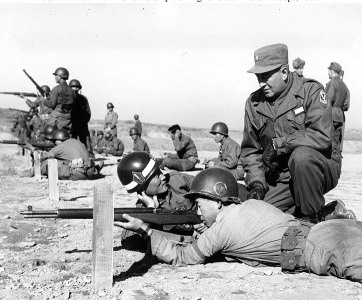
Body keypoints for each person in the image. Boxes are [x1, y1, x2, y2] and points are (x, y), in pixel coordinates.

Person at [115, 168, 362, 284]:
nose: (197, 210)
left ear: (218, 200)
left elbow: (181, 257)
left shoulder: (221, 231)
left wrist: (145, 230)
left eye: (200, 203)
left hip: (321, 249)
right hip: (328, 231)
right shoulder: (245, 207)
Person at [240, 43, 353, 223]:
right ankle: (328, 212)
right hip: (282, 177)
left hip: (319, 167)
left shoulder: (311, 91)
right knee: (254, 218)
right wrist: (257, 184)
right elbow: (250, 151)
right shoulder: (254, 103)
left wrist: (280, 144)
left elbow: (321, 137)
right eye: (258, 77)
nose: (261, 83)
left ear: (284, 72)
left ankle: (313, 219)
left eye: (266, 76)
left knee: (301, 157)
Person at [117, 152, 197, 250]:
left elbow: (207, 183)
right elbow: (128, 241)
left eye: (160, 171)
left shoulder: (176, 179)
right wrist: (150, 212)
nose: (163, 177)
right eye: (156, 176)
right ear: (142, 186)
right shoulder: (142, 208)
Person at [36, 128, 103, 180]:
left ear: (59, 139)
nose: (54, 143)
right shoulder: (77, 142)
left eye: (55, 140)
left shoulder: (61, 146)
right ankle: (96, 169)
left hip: (78, 174)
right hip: (90, 172)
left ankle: (32, 171)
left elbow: (43, 157)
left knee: (47, 163)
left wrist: (34, 152)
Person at [325, 62, 350, 153]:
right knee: (337, 144)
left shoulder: (332, 83)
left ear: (332, 71)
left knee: (327, 143)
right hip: (340, 118)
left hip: (330, 116)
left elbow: (327, 100)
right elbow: (346, 106)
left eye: (329, 71)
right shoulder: (345, 86)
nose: (328, 73)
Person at [69, 79, 92, 150]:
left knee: (85, 141)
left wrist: (84, 121)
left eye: (77, 87)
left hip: (82, 123)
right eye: (73, 87)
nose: (75, 89)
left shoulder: (83, 98)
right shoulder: (68, 98)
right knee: (71, 141)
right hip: (71, 123)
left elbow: (88, 112)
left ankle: (88, 155)